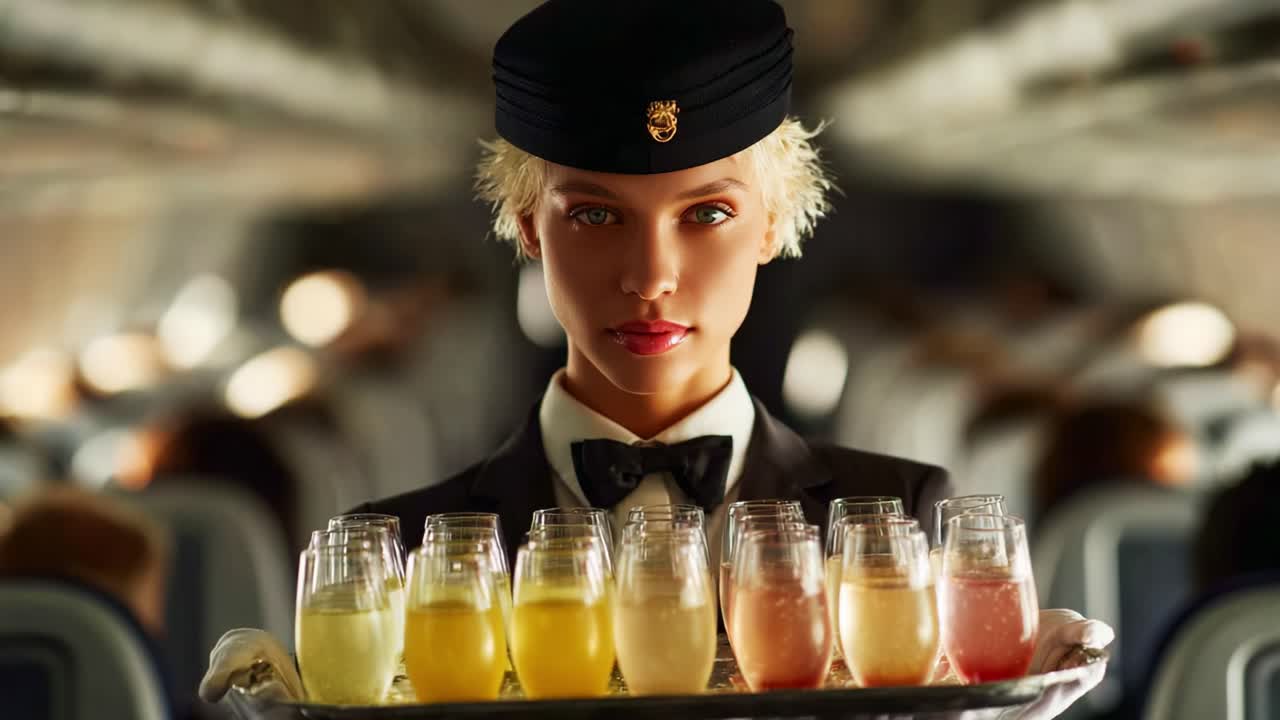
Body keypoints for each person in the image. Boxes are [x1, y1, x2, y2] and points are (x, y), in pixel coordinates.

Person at [201, 2, 1112, 716]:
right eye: (595, 215)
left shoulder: (906, 526)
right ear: (528, 231)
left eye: (706, 214)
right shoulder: (395, 557)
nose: (650, 278)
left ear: (771, 225)